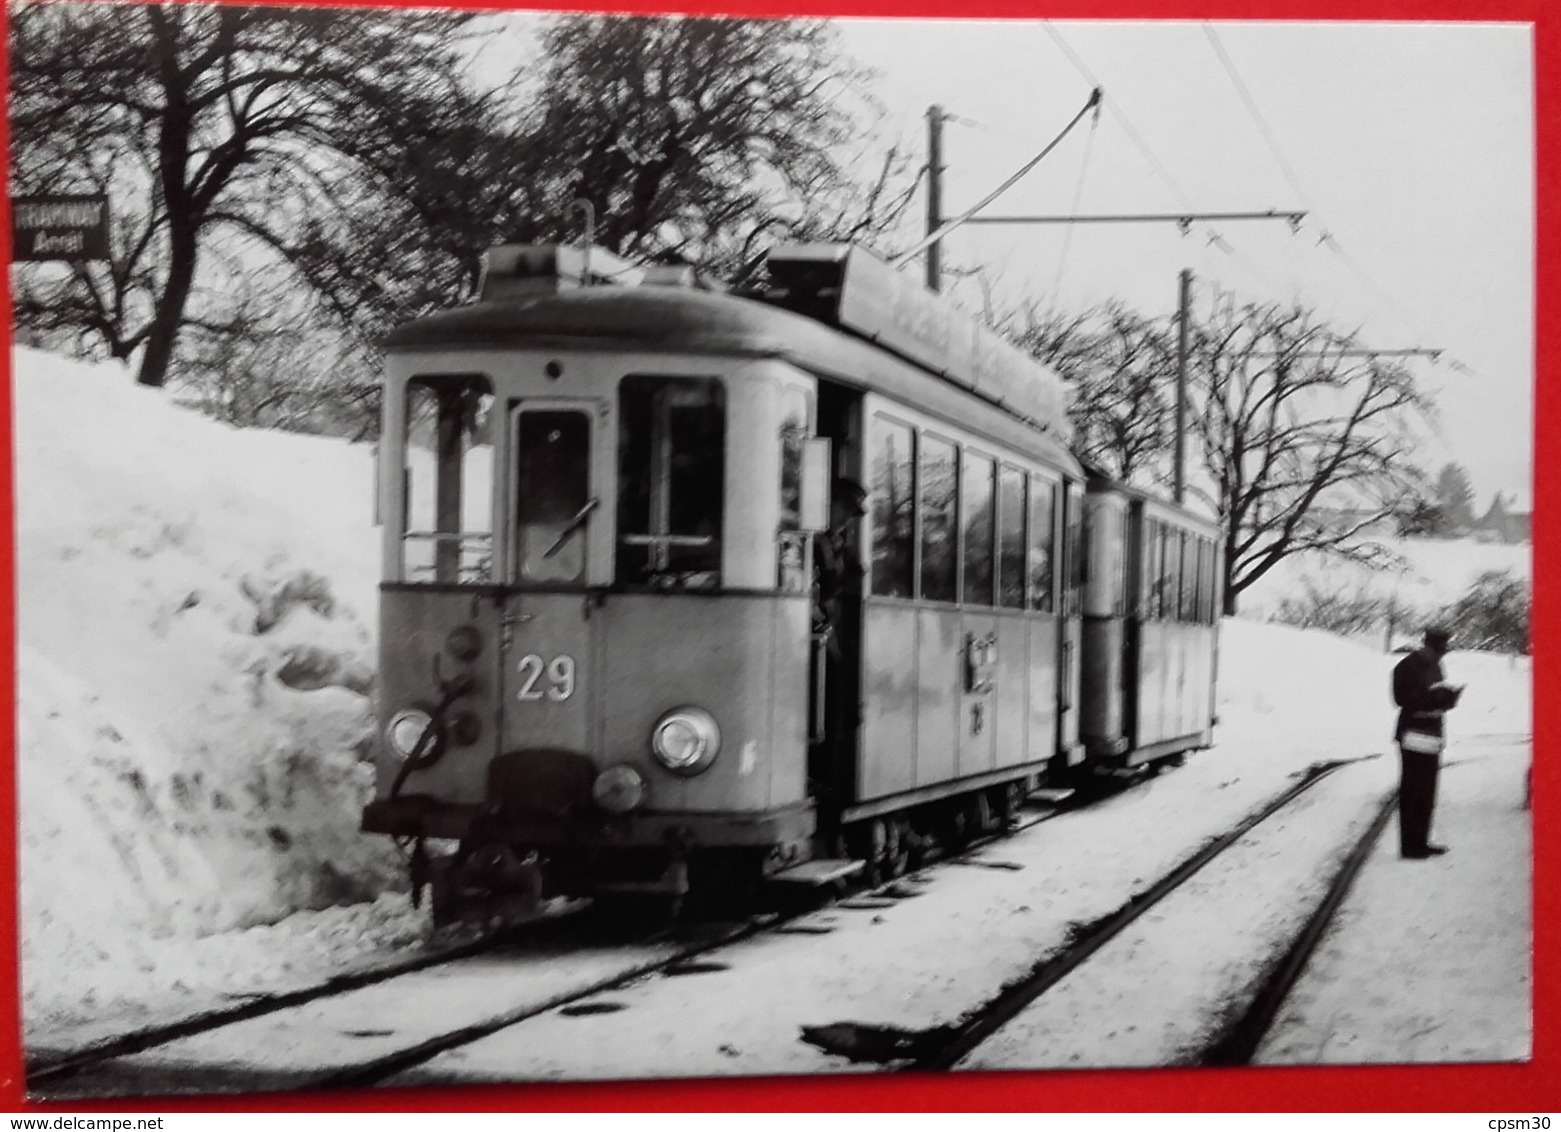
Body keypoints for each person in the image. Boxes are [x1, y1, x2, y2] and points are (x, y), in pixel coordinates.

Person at [1391, 625, 1465, 859]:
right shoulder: (1408, 665)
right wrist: (1433, 698)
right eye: (1442, 646)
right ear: (1431, 645)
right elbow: (1401, 698)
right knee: (1414, 791)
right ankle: (1410, 846)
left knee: (1426, 791)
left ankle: (1420, 841)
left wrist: (1446, 699)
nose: (1445, 651)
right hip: (1414, 732)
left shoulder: (1434, 665)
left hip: (1431, 734)